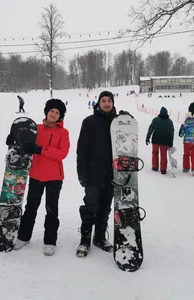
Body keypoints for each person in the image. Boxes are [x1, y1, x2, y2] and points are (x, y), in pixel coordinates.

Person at [10, 99, 70, 256]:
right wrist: (12, 140)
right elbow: (23, 144)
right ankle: (23, 236)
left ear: (60, 116)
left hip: (54, 177)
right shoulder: (35, 129)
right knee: (31, 207)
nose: (54, 114)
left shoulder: (63, 133)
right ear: (47, 112)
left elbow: (62, 154)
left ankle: (50, 241)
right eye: (52, 111)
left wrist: (41, 149)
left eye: (57, 112)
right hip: (36, 174)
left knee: (51, 209)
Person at [76, 90, 117, 257]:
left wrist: (127, 120)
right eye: (104, 101)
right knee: (90, 207)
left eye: (109, 101)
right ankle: (85, 240)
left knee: (105, 207)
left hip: (112, 174)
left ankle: (99, 237)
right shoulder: (89, 122)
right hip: (93, 173)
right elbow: (82, 150)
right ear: (98, 103)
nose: (107, 103)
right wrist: (82, 173)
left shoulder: (117, 122)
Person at [145, 107, 174, 175]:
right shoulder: (169, 121)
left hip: (156, 140)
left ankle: (155, 167)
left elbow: (151, 129)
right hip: (165, 141)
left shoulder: (155, 120)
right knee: (163, 155)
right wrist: (171, 142)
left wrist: (147, 138)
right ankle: (163, 169)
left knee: (155, 153)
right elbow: (171, 132)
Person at [179, 112, 194, 176]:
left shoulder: (184, 125)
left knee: (186, 155)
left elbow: (181, 135)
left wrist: (182, 129)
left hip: (187, 143)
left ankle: (186, 168)